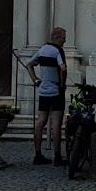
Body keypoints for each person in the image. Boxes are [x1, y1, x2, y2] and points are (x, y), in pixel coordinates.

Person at [27, 27, 68, 166]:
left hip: (43, 91)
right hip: (56, 91)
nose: (65, 40)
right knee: (56, 124)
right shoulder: (58, 51)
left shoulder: (42, 49)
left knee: (40, 122)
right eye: (63, 37)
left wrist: (35, 80)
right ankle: (57, 156)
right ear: (56, 37)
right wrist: (62, 83)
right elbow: (62, 68)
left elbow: (29, 64)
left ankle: (38, 154)